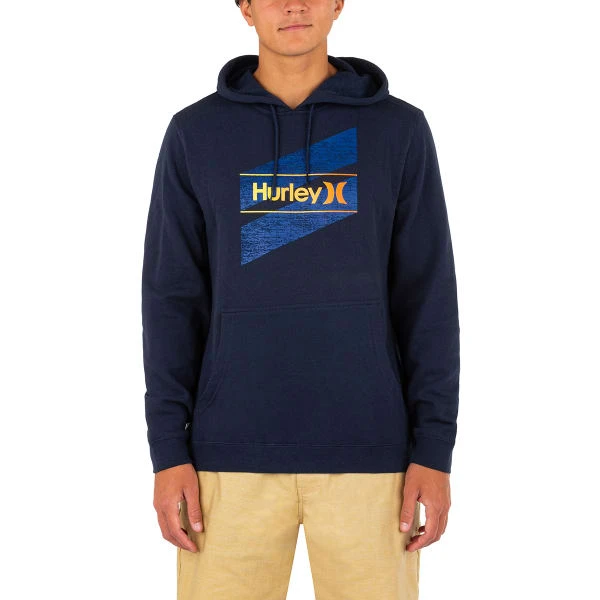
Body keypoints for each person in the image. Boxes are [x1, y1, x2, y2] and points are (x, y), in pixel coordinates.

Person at [141, 1, 460, 598]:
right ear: (244, 7)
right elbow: (171, 300)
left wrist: (434, 450)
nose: (293, 5)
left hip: (373, 457)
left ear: (338, 2)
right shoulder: (195, 134)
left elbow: (428, 298)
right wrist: (167, 452)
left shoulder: (398, 130)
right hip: (226, 459)